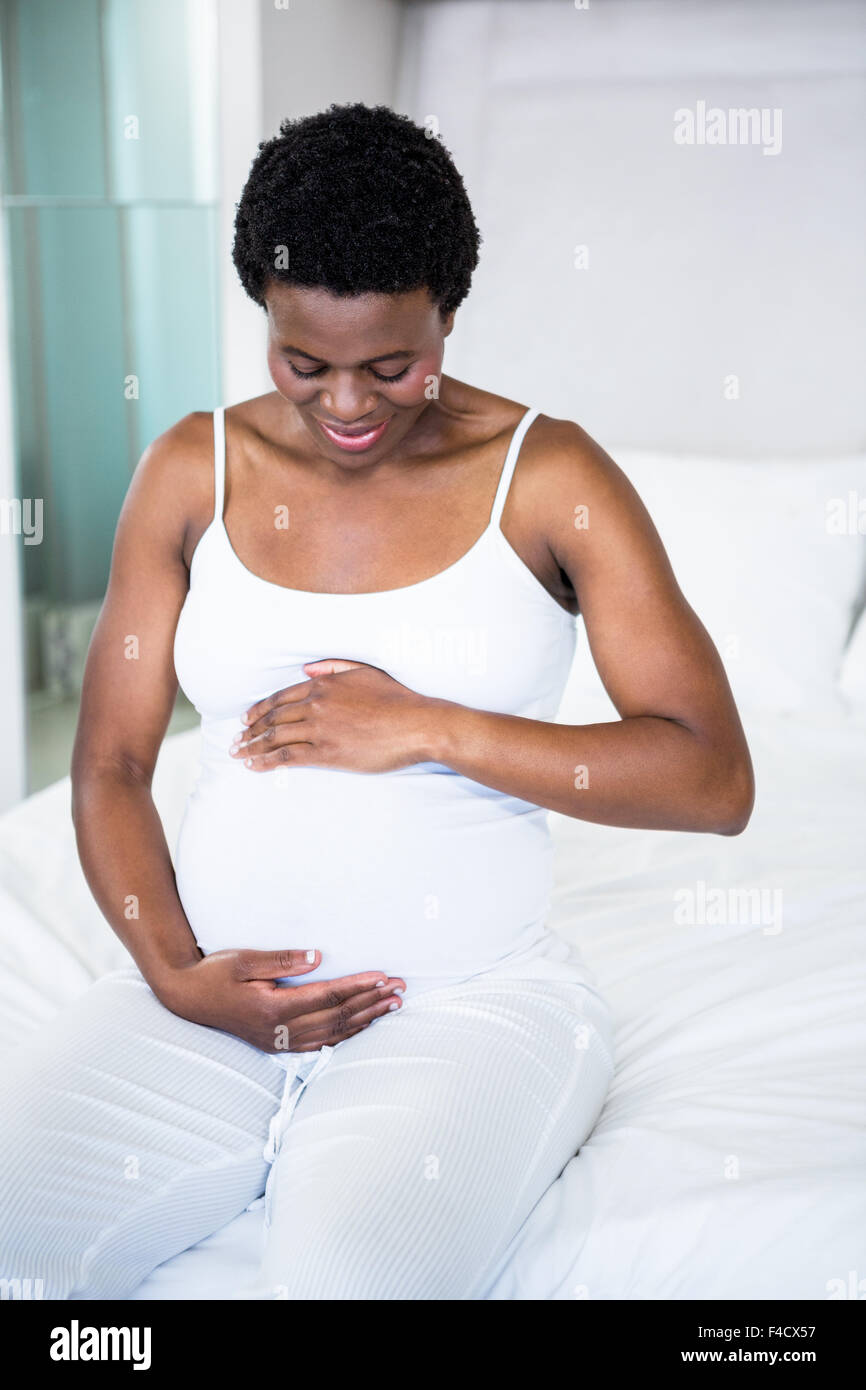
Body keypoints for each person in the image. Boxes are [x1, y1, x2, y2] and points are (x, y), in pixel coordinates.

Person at [0, 102, 753, 1300]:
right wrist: (174, 968)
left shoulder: (548, 476)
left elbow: (710, 779)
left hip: (469, 1005)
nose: (348, 404)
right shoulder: (189, 471)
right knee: (18, 1253)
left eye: (392, 366)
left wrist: (428, 725)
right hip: (208, 991)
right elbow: (110, 766)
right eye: (305, 363)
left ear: (446, 313)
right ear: (263, 309)